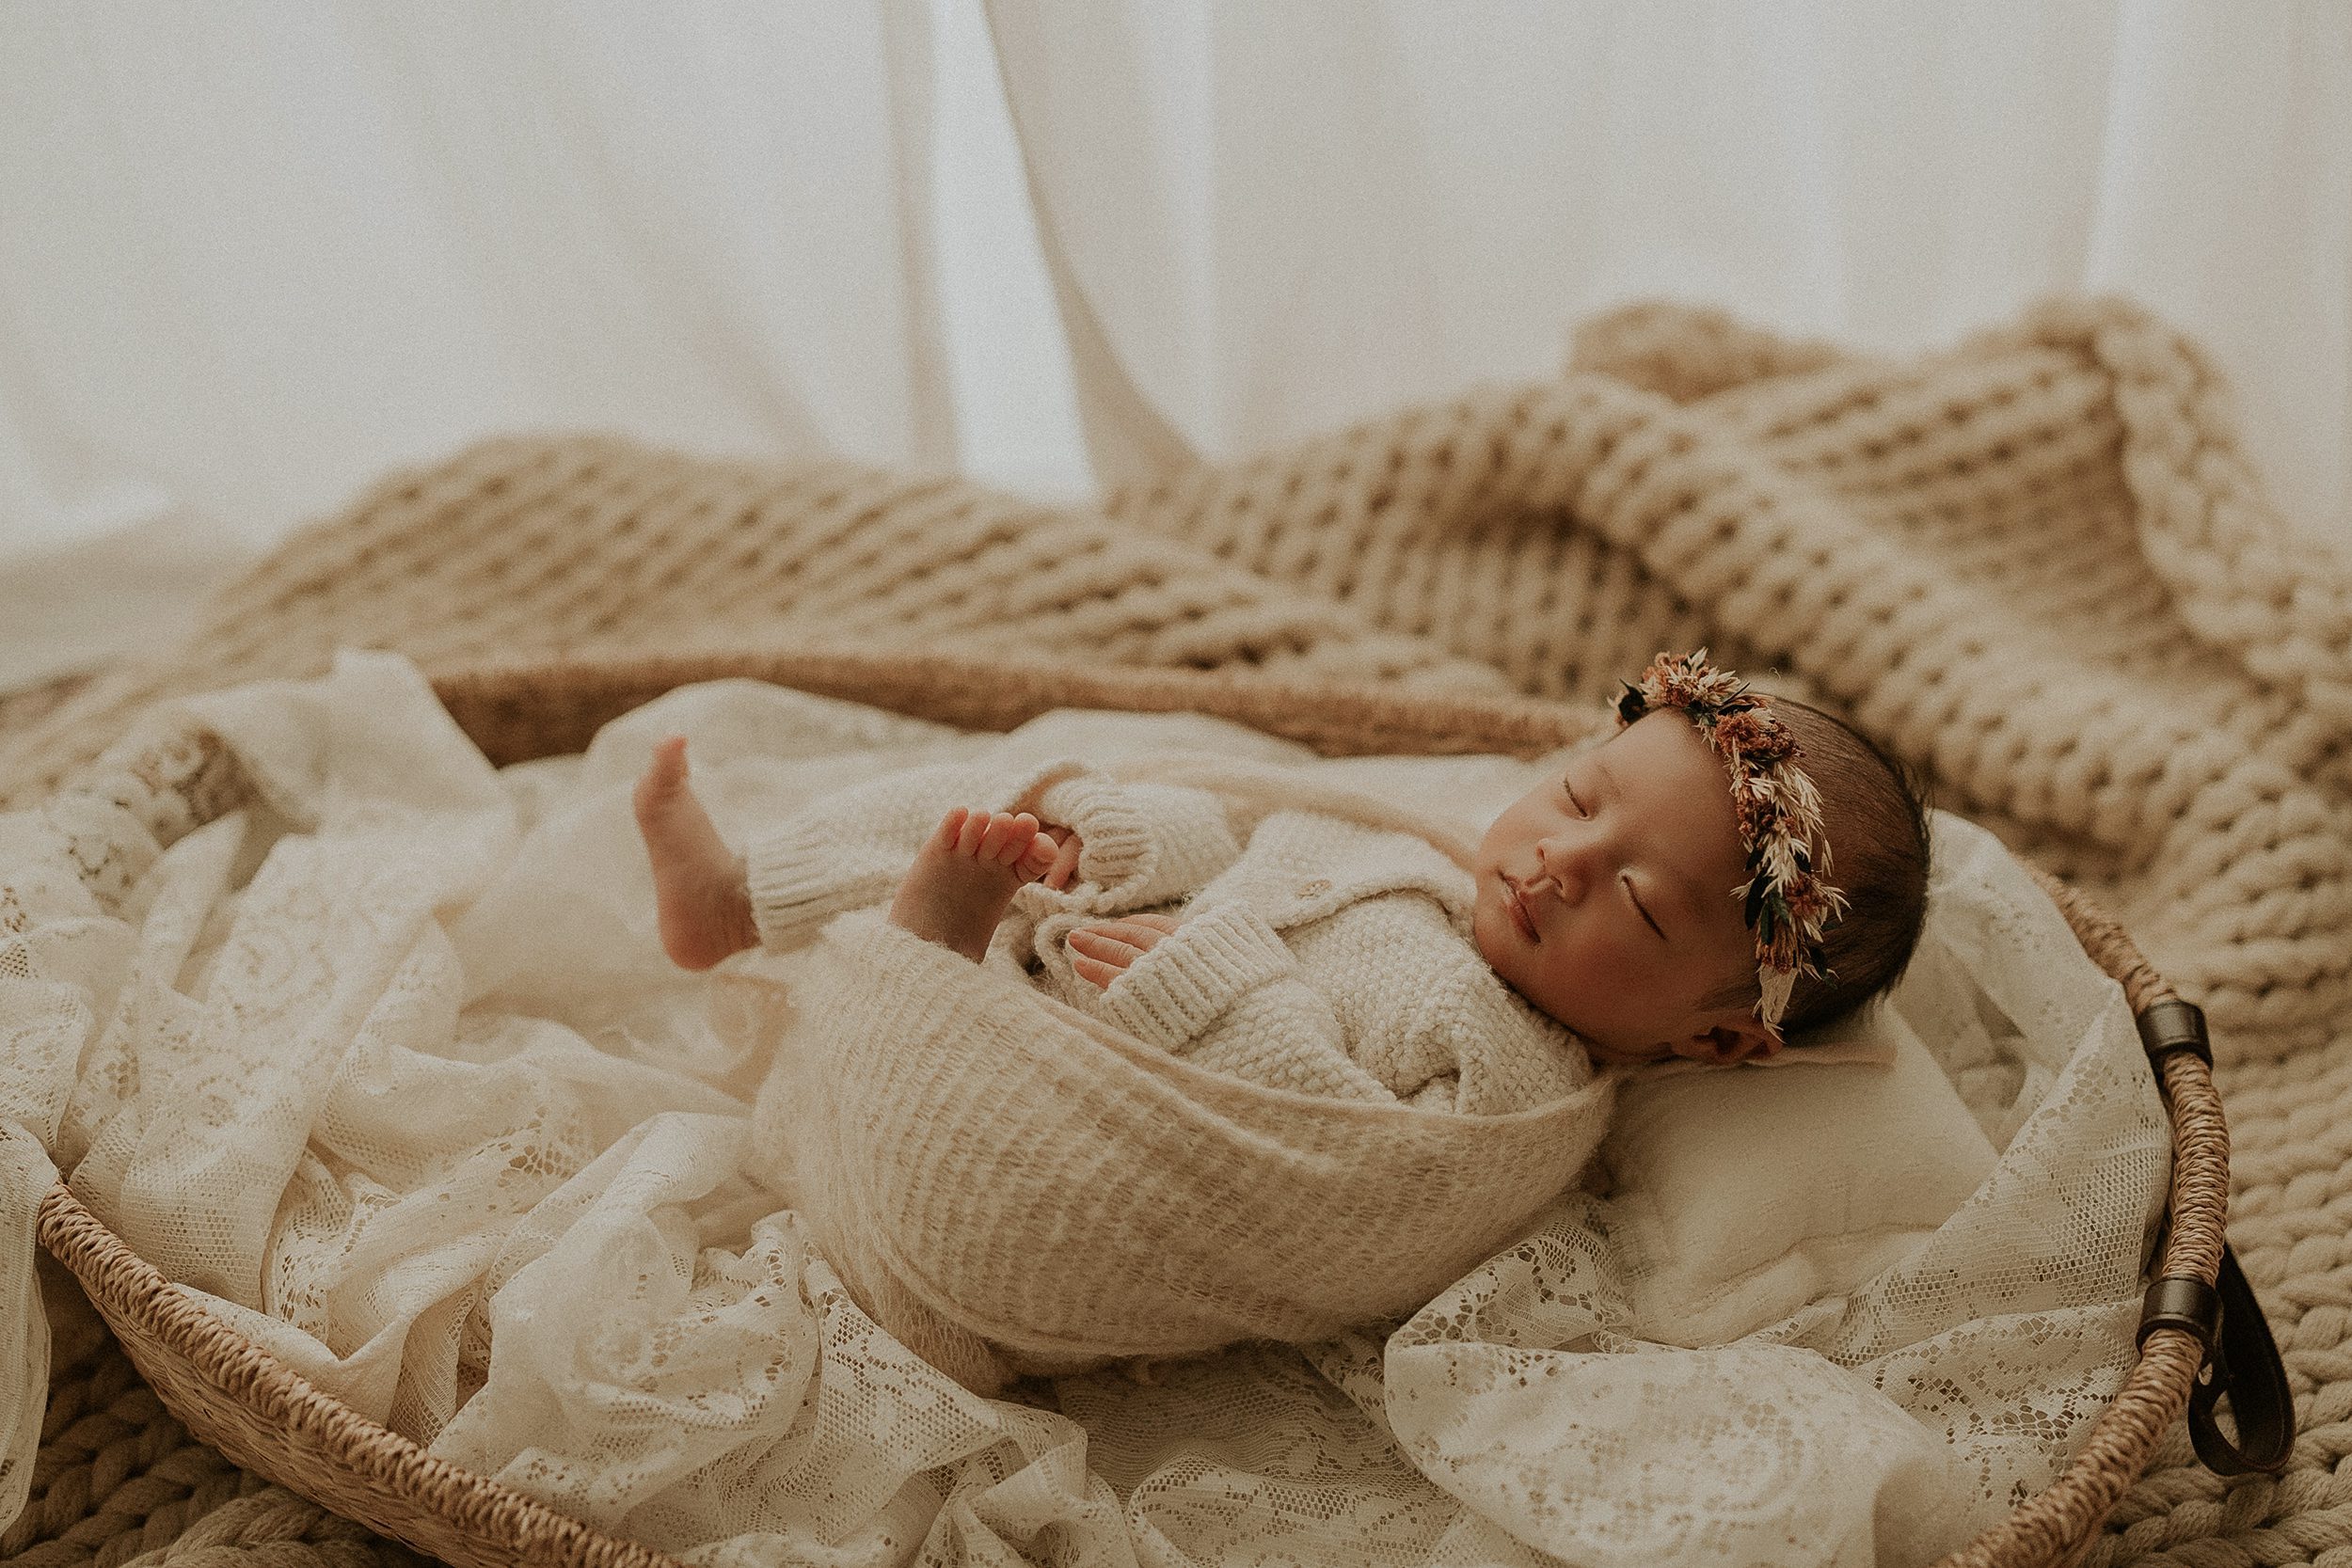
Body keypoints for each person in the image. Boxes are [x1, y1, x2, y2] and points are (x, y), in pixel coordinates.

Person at [631, 651, 1930, 1109]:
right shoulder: (1424, 855)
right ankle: (741, 898)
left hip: (1110, 1062)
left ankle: (927, 973)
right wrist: (1125, 843)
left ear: (1711, 1032)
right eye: (1582, 799)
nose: (1560, 860)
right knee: (1020, 789)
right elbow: (1256, 842)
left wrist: (1224, 1000)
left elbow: (1353, 1151)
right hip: (1093, 931)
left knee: (997, 1020)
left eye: (1641, 905)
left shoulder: (1511, 1071)